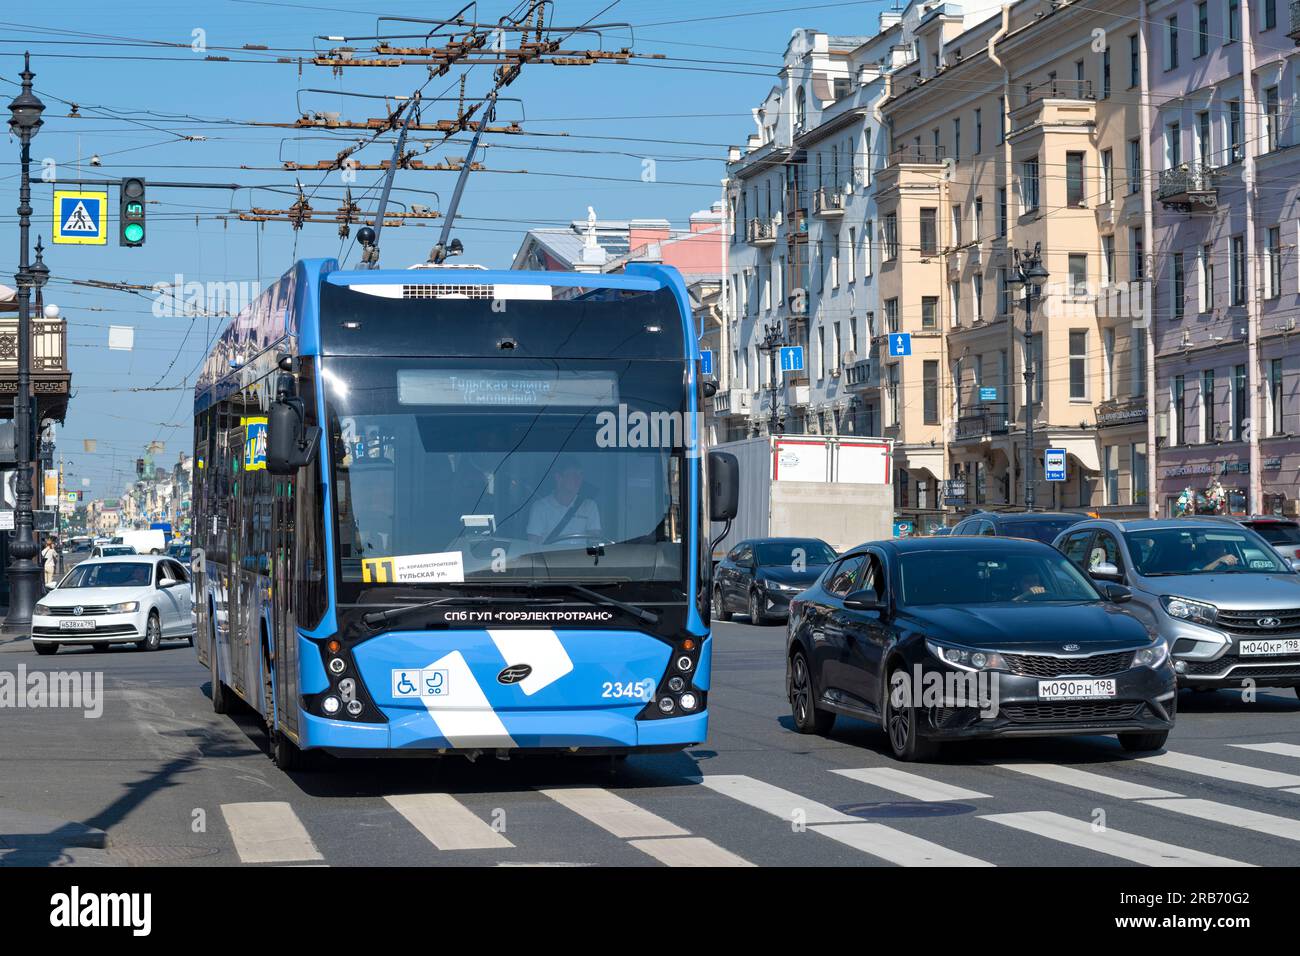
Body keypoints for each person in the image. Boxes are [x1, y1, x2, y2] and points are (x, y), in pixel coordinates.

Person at [527, 456, 602, 544]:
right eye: (573, 474)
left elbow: (595, 542)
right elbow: (532, 545)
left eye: (581, 474)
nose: (578, 479)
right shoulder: (540, 507)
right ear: (558, 478)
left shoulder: (589, 506)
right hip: (550, 557)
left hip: (581, 557)